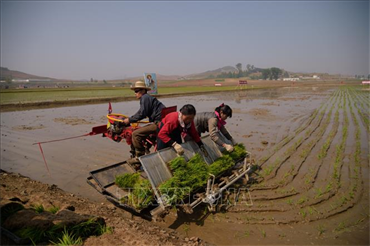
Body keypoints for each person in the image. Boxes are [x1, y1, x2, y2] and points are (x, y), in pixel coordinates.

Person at [123, 81, 165, 166]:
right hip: (162, 121)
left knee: (135, 134)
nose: (135, 93)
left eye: (136, 91)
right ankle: (146, 148)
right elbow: (141, 112)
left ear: (142, 91)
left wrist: (129, 120)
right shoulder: (148, 98)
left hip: (159, 123)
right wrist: (131, 118)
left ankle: (139, 158)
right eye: (134, 91)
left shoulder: (144, 98)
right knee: (145, 131)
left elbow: (142, 113)